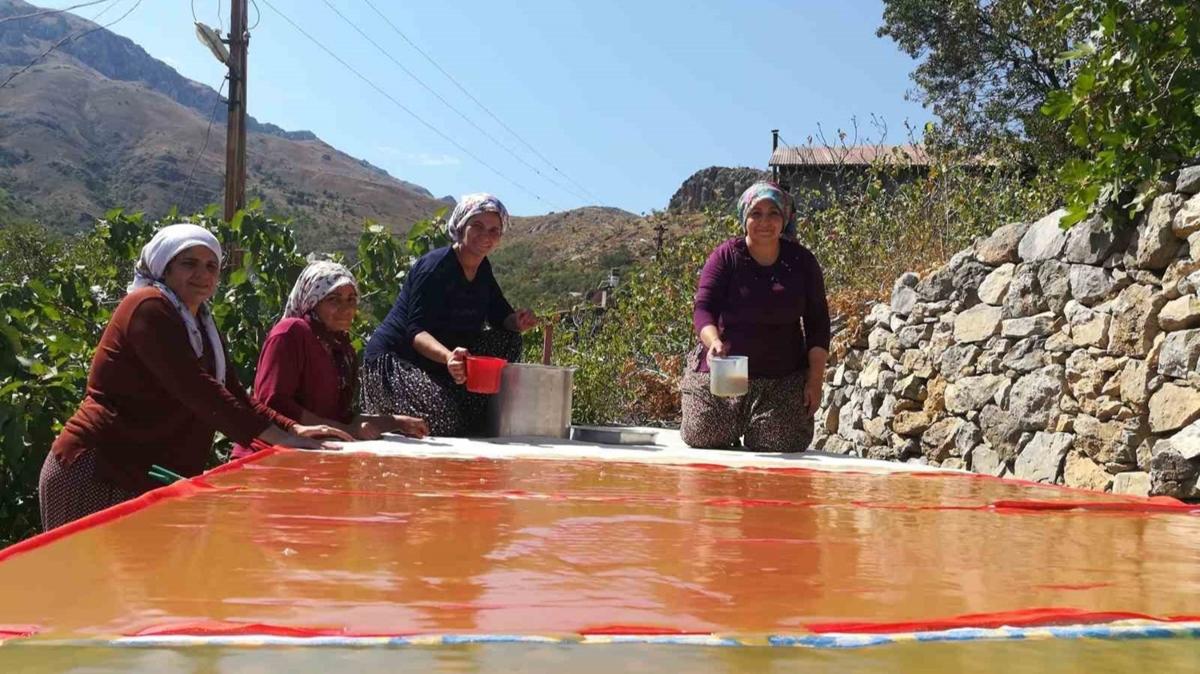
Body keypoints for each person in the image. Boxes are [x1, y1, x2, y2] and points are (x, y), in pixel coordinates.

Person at [39, 224, 352, 531]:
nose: (202, 275)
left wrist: (292, 427)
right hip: (100, 469)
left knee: (143, 579)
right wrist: (282, 439)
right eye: (189, 264)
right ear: (165, 267)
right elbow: (199, 392)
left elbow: (232, 392)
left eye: (211, 266)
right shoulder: (148, 307)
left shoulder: (200, 321)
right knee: (94, 579)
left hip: (144, 470)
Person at [362, 193, 539, 436]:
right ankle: (388, 419)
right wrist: (448, 358)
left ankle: (467, 406)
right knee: (444, 420)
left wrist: (517, 321)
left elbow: (501, 316)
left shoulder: (483, 269)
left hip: (440, 366)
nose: (485, 235)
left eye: (494, 230)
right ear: (460, 226)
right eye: (477, 226)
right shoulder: (435, 267)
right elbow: (416, 332)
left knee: (509, 338)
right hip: (396, 361)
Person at [680, 181, 831, 451]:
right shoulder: (725, 257)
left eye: (773, 213)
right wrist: (712, 341)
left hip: (781, 379)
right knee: (702, 435)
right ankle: (730, 421)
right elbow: (704, 308)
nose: (765, 221)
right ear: (744, 218)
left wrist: (815, 380)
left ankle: (755, 425)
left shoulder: (802, 262)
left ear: (784, 219)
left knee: (781, 444)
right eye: (756, 214)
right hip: (726, 373)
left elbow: (818, 324)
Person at [231, 261, 429, 460]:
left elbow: (337, 414)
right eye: (333, 299)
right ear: (312, 301)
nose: (346, 309)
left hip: (311, 455)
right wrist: (344, 430)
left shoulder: (341, 348)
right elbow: (274, 403)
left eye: (351, 299)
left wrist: (395, 422)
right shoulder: (291, 333)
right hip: (267, 456)